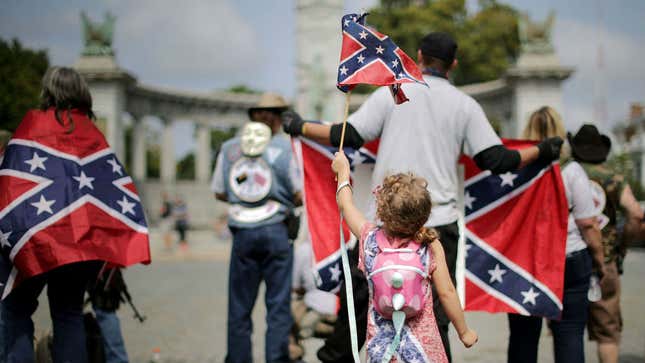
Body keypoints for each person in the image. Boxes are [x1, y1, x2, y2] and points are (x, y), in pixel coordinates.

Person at [282, 32, 563, 360]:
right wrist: (542, 149)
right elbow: (497, 160)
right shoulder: (465, 105)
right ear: (453, 64)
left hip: (381, 225)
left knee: (356, 312)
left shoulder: (394, 92)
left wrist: (299, 126)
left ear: (419, 55)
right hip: (436, 226)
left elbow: (348, 135)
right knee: (435, 318)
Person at [331, 151, 478, 362]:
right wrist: (464, 332)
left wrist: (343, 171)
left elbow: (346, 205)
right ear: (425, 214)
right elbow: (447, 292)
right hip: (422, 348)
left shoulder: (370, 239)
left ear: (381, 211)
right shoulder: (430, 246)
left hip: (383, 348)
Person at [506, 108, 606, 363]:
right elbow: (588, 224)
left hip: (524, 262)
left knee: (522, 337)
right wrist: (599, 260)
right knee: (570, 333)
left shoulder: (515, 171)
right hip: (569, 257)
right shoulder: (572, 172)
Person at [211, 93, 302, 363]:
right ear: (278, 117)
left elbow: (218, 191)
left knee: (239, 307)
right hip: (277, 229)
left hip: (243, 231)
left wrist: (244, 200)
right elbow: (299, 194)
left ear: (253, 116)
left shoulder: (229, 149)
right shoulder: (287, 149)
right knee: (277, 306)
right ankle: (276, 358)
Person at [571, 124, 645, 363]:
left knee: (568, 333)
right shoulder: (613, 177)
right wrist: (622, 244)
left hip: (569, 259)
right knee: (608, 335)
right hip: (606, 261)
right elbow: (636, 213)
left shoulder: (567, 174)